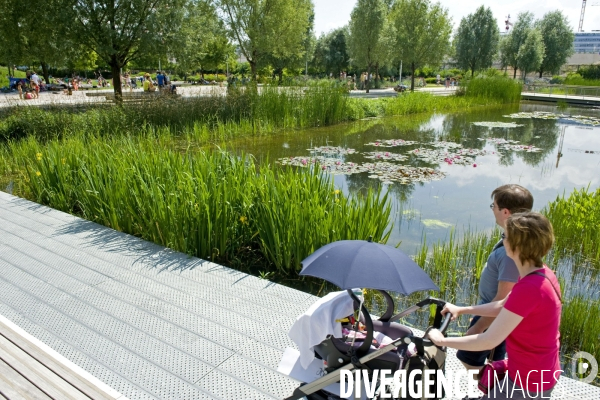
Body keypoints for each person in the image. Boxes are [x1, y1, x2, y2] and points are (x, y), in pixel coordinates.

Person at [429, 212, 561, 399]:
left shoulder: (530, 288)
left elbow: (489, 340)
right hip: (538, 368)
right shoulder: (540, 273)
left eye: (504, 236)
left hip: (528, 380)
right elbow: (503, 306)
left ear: (516, 246)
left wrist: (441, 341)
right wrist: (462, 309)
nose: (502, 240)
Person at [455, 185, 533, 374]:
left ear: (505, 212)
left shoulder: (510, 253)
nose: (492, 210)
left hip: (493, 319)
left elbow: (503, 300)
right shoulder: (513, 239)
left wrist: (478, 328)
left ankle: (490, 392)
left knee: (476, 361)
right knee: (483, 361)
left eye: (494, 206)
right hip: (488, 313)